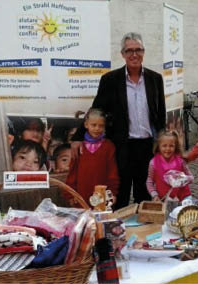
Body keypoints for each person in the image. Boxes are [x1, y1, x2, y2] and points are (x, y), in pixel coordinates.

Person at [71, 32, 166, 209]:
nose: (134, 54)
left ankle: (144, 232)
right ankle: (117, 231)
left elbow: (160, 115)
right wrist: (78, 136)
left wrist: (163, 145)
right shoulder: (110, 80)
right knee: (119, 195)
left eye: (138, 50)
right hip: (122, 147)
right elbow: (96, 109)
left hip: (147, 147)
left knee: (144, 195)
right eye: (129, 50)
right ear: (122, 54)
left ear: (144, 52)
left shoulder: (155, 79)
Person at [66, 108, 119, 206]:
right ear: (86, 125)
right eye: (93, 125)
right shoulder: (79, 147)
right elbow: (72, 173)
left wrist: (112, 192)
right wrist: (70, 195)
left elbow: (113, 173)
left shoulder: (109, 146)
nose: (97, 128)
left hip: (102, 196)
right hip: (81, 196)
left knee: (100, 219)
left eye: (101, 126)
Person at [146, 131, 193, 202]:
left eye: (171, 146)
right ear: (159, 146)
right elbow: (149, 181)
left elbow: (191, 178)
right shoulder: (153, 163)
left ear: (175, 146)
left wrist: (183, 179)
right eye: (164, 146)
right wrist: (155, 195)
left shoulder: (181, 161)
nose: (168, 149)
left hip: (183, 198)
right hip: (164, 199)